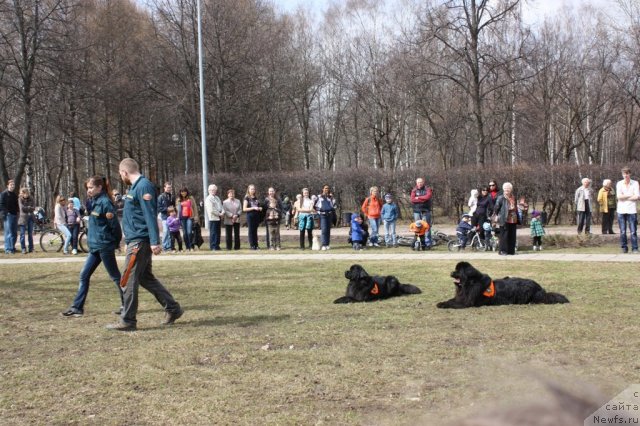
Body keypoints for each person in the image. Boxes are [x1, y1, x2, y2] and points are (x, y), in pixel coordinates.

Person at [106, 158, 183, 331]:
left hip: (140, 241)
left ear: (125, 172)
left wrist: (155, 242)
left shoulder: (143, 186)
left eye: (120, 174)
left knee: (126, 279)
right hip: (135, 239)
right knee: (145, 278)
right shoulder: (135, 187)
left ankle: (128, 320)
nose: (121, 177)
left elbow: (149, 215)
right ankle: (173, 308)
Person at [61, 176, 124, 317]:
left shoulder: (105, 203)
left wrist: (115, 242)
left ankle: (127, 304)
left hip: (104, 245)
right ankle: (77, 307)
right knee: (84, 275)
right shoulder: (94, 201)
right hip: (95, 246)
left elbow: (114, 226)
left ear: (99, 187)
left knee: (115, 276)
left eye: (91, 187)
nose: (88, 190)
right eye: (87, 188)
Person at [616, 167, 639, 254]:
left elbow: (637, 196)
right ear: (622, 175)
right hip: (621, 210)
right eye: (624, 174)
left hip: (631, 210)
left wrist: (624, 196)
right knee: (622, 231)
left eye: (627, 174)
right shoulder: (619, 183)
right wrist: (630, 195)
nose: (626, 175)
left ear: (630, 174)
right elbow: (619, 197)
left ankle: (635, 248)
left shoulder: (635, 183)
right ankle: (624, 248)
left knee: (633, 231)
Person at [493, 182, 518, 256]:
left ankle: (511, 250)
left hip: (513, 218)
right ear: (503, 189)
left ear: (511, 189)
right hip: (504, 218)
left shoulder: (513, 197)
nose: (507, 189)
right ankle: (503, 251)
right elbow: (496, 208)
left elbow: (515, 206)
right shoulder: (500, 198)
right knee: (504, 235)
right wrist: (496, 216)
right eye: (505, 188)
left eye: (508, 188)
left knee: (512, 235)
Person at [410, 177, 433, 247]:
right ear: (416, 183)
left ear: (423, 182)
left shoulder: (427, 189)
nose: (419, 184)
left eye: (421, 182)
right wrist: (423, 198)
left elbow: (428, 197)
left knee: (426, 226)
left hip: (426, 210)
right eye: (418, 182)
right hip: (416, 211)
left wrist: (418, 198)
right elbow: (412, 199)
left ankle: (428, 243)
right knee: (417, 227)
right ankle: (418, 242)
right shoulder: (414, 190)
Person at [315, 184, 336, 250]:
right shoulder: (319, 197)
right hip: (323, 215)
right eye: (325, 188)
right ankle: (323, 244)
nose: (326, 189)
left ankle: (327, 244)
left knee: (328, 230)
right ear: (323, 189)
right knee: (324, 230)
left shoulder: (330, 197)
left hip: (329, 215)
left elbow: (333, 206)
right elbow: (315, 206)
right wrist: (320, 211)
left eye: (328, 188)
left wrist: (332, 198)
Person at [176, 187, 198, 251]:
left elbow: (195, 207)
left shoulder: (191, 198)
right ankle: (187, 247)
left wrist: (196, 217)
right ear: (180, 192)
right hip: (182, 218)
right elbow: (177, 209)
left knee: (189, 232)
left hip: (190, 217)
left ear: (187, 192)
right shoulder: (178, 199)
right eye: (182, 191)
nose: (183, 193)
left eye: (185, 191)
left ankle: (191, 246)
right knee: (185, 233)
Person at [0, 179, 19, 254]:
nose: (12, 186)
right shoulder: (3, 194)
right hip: (7, 215)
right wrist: (6, 213)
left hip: (14, 215)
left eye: (13, 185)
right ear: (8, 185)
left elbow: (16, 205)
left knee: (14, 233)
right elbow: (1, 205)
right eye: (11, 185)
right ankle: (7, 249)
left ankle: (12, 247)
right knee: (9, 232)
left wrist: (17, 212)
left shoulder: (14, 194)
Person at [243, 184, 262, 250]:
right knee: (251, 231)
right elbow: (244, 209)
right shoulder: (246, 197)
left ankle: (256, 245)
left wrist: (259, 208)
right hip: (250, 216)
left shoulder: (256, 197)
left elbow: (258, 206)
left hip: (256, 216)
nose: (253, 190)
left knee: (255, 231)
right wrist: (253, 208)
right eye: (251, 189)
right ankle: (252, 245)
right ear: (248, 190)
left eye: (254, 189)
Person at [205, 184, 223, 251]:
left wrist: (223, 212)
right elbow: (211, 210)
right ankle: (213, 246)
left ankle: (217, 245)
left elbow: (221, 206)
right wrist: (219, 214)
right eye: (212, 190)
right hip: (213, 218)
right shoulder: (208, 199)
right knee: (213, 233)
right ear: (209, 190)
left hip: (219, 217)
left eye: (215, 190)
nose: (213, 191)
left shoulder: (217, 198)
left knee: (218, 233)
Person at [17, 187, 35, 254]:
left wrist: (28, 208)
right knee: (22, 235)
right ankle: (23, 248)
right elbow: (22, 208)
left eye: (26, 193)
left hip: (31, 217)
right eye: (24, 193)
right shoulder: (20, 199)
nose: (25, 194)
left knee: (30, 234)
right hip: (23, 218)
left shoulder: (31, 198)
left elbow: (33, 208)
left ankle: (31, 248)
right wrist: (29, 208)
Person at [157, 182, 174, 252]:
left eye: (170, 187)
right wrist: (166, 209)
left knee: (170, 232)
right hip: (164, 217)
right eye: (167, 187)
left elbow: (173, 206)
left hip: (171, 217)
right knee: (165, 231)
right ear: (164, 188)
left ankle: (169, 247)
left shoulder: (172, 196)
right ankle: (164, 247)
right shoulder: (161, 197)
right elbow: (158, 208)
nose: (169, 189)